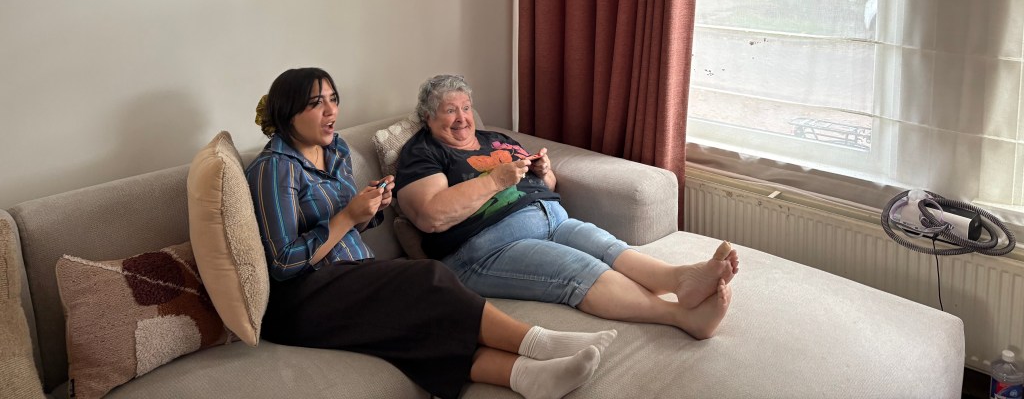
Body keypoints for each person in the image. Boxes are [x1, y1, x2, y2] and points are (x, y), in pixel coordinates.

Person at [246, 67, 617, 399]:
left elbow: (351, 224)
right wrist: (347, 217)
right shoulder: (274, 168)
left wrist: (370, 208)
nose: (331, 111)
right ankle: (539, 342)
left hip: (354, 275)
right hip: (303, 297)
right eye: (316, 104)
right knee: (429, 276)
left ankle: (526, 377)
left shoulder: (336, 150)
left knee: (421, 327)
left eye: (333, 99)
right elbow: (283, 263)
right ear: (288, 112)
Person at [394, 74, 739, 340]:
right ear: (427, 116)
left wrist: (544, 173)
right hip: (484, 247)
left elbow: (547, 187)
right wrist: (496, 180)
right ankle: (681, 317)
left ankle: (680, 280)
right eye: (450, 110)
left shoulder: (494, 139)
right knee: (579, 269)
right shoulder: (422, 153)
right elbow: (430, 215)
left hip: (552, 219)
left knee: (607, 246)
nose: (462, 118)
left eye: (466, 108)